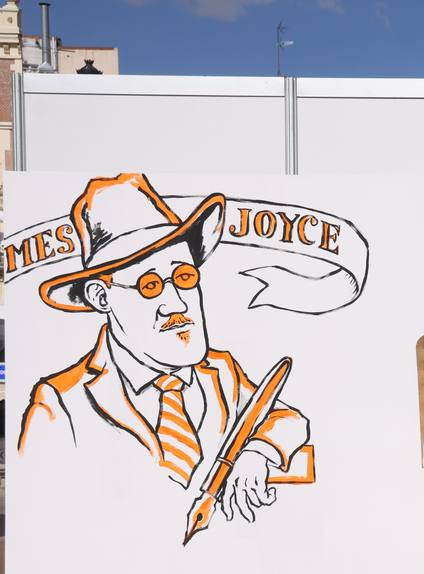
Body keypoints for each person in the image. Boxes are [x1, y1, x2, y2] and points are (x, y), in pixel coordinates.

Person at [19, 173, 310, 524]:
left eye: (185, 278)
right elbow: (40, 524)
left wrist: (256, 452)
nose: (176, 303)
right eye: (150, 285)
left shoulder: (221, 373)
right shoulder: (60, 401)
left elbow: (287, 419)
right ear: (101, 297)